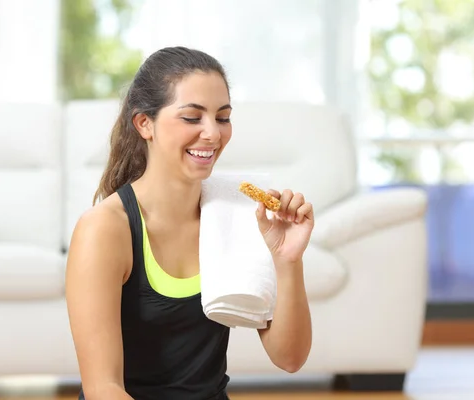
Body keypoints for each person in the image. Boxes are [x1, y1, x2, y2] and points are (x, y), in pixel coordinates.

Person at [65, 46, 314, 400]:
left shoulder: (236, 211)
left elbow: (289, 358)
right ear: (144, 123)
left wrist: (288, 260)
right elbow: (103, 388)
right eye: (192, 117)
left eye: (223, 117)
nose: (213, 133)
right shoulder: (105, 229)